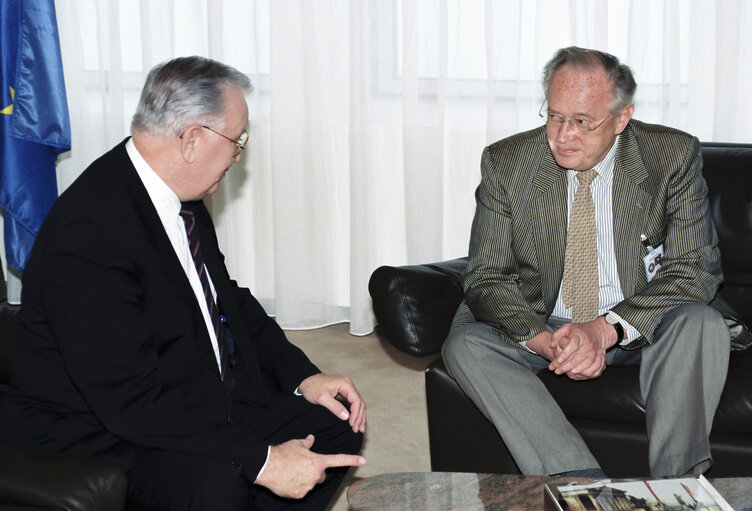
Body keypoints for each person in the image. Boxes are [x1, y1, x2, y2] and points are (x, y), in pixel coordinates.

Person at [0, 56, 366, 510]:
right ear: (192, 139)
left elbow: (228, 300)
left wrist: (303, 376)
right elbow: (130, 403)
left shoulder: (178, 192)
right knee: (218, 482)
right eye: (238, 140)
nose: (238, 155)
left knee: (336, 422)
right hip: (103, 428)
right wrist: (263, 460)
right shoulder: (89, 236)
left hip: (191, 392)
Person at [442, 46, 749, 479]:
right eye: (553, 116)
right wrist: (541, 340)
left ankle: (676, 489)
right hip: (551, 325)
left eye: (583, 121)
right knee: (465, 345)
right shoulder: (507, 163)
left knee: (700, 323)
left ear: (622, 118)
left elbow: (696, 268)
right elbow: (485, 275)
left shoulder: (670, 156)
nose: (563, 135)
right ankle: (581, 486)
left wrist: (604, 329)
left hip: (644, 324)